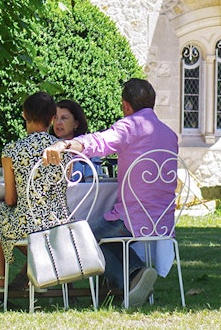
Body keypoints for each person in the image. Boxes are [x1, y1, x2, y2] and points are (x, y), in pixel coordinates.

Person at [43, 78, 178, 308]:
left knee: (80, 236)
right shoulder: (169, 134)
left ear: (126, 105)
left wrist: (66, 145)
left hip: (132, 219)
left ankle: (132, 278)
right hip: (163, 223)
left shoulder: (130, 127)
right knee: (100, 237)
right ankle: (135, 276)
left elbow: (98, 142)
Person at [0, 91, 69, 293]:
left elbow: (10, 198)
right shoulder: (63, 150)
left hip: (28, 224)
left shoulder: (12, 150)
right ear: (52, 119)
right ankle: (43, 266)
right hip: (59, 224)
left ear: (24, 114)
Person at [52, 99, 102, 180]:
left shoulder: (89, 149)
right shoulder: (47, 147)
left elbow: (93, 185)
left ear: (76, 123)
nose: (58, 122)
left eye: (64, 118)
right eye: (55, 118)